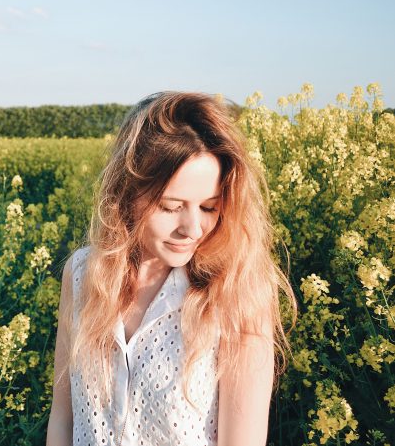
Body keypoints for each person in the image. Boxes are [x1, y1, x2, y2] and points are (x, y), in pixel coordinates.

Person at [46, 92, 297, 446]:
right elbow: (63, 420)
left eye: (209, 208)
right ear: (127, 194)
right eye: (170, 206)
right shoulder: (82, 274)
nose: (192, 228)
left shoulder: (237, 294)